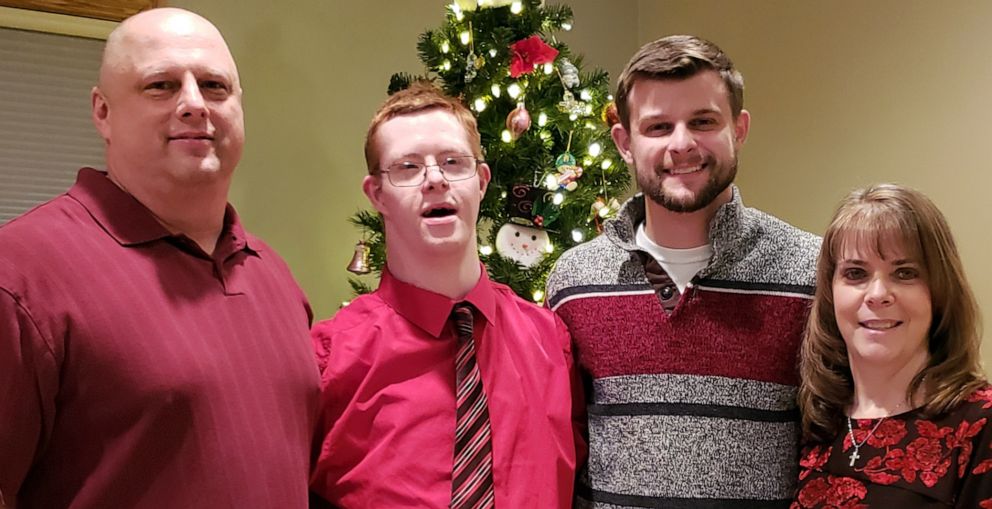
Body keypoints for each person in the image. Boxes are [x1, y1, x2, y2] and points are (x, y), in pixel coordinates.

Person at [0, 8, 319, 508]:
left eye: (215, 86)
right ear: (102, 112)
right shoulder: (20, 275)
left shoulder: (274, 276)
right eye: (160, 86)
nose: (195, 104)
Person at [545, 35, 821, 507]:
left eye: (703, 121)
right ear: (624, 143)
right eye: (657, 127)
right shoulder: (573, 281)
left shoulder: (809, 271)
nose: (682, 144)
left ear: (739, 128)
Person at [309, 83, 584, 508]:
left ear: (481, 181)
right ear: (376, 194)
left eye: (453, 162)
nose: (435, 179)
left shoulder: (552, 343)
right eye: (407, 167)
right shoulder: (329, 361)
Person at [792, 183, 992, 507]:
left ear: (940, 291)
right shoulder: (814, 420)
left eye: (904, 273)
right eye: (856, 273)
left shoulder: (980, 423)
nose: (877, 294)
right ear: (830, 293)